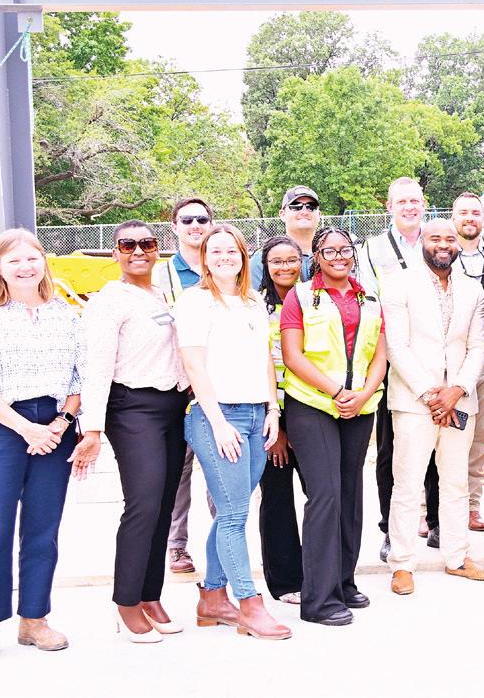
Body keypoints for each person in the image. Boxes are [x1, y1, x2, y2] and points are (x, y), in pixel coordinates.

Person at [0, 229, 85, 667]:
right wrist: (27, 429)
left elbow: (80, 379)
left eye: (32, 258)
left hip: (54, 428)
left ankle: (34, 620)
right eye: (14, 261)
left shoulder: (66, 315)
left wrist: (60, 423)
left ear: (44, 261)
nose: (25, 267)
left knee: (43, 529)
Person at [174, 223, 289, 640]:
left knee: (231, 512)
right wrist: (219, 423)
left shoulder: (253, 302)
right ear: (204, 258)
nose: (224, 257)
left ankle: (211, 598)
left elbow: (266, 359)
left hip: (257, 414)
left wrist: (272, 409)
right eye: (216, 251)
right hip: (217, 416)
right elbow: (194, 365)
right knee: (236, 514)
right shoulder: (195, 302)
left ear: (243, 257)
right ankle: (249, 604)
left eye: (232, 251)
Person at [80, 221, 190, 643]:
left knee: (163, 505)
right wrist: (92, 427)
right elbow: (97, 365)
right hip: (133, 408)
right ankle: (126, 602)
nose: (138, 251)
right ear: (115, 253)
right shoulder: (109, 301)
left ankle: (150, 595)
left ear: (158, 249)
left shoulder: (163, 296)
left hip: (171, 406)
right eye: (128, 245)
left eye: (147, 243)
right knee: (143, 503)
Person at [280, 227, 388, 624]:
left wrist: (362, 394)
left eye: (345, 249)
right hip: (313, 405)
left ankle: (343, 581)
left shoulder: (370, 297)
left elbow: (380, 355)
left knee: (350, 494)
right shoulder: (300, 296)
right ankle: (319, 599)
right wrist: (337, 391)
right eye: (329, 251)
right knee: (325, 495)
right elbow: (292, 355)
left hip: (359, 407)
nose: (339, 256)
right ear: (317, 257)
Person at [382, 219, 484, 594]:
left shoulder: (472, 288)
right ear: (422, 243)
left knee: (457, 482)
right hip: (416, 402)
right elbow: (396, 346)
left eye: (449, 238)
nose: (443, 244)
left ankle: (457, 557)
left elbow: (478, 345)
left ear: (458, 245)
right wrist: (432, 394)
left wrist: (457, 389)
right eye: (435, 238)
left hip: (460, 400)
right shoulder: (399, 283)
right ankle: (402, 564)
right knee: (408, 484)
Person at [356, 177, 438, 559]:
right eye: (401, 201)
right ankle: (391, 528)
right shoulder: (372, 249)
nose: (409, 207)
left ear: (424, 204)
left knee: (438, 443)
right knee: (390, 449)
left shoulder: (436, 241)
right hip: (391, 357)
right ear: (389, 207)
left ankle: (436, 521)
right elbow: (370, 303)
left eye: (415, 201)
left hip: (434, 357)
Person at [156, 196, 214, 575]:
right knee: (178, 470)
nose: (195, 226)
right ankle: (176, 546)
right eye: (187, 220)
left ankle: (224, 542)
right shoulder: (162, 275)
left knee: (220, 467)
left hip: (218, 383)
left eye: (202, 220)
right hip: (177, 385)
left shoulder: (223, 265)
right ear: (174, 226)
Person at [256, 236, 306, 606]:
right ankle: (286, 580)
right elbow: (254, 364)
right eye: (277, 261)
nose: (285, 267)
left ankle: (321, 571)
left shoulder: (313, 300)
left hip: (311, 407)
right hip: (270, 411)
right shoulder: (255, 306)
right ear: (266, 265)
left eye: (291, 260)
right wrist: (275, 423)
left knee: (320, 493)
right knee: (276, 496)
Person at [452, 191, 484, 532]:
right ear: (453, 217)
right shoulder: (441, 255)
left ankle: (471, 505)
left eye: (476, 213)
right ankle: (431, 508)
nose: (470, 218)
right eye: (463, 212)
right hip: (453, 362)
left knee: (480, 439)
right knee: (446, 439)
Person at [249, 185, 319, 287]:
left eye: (311, 207)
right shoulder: (263, 257)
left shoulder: (331, 256)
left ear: (319, 214)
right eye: (296, 206)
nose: (304, 212)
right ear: (282, 214)